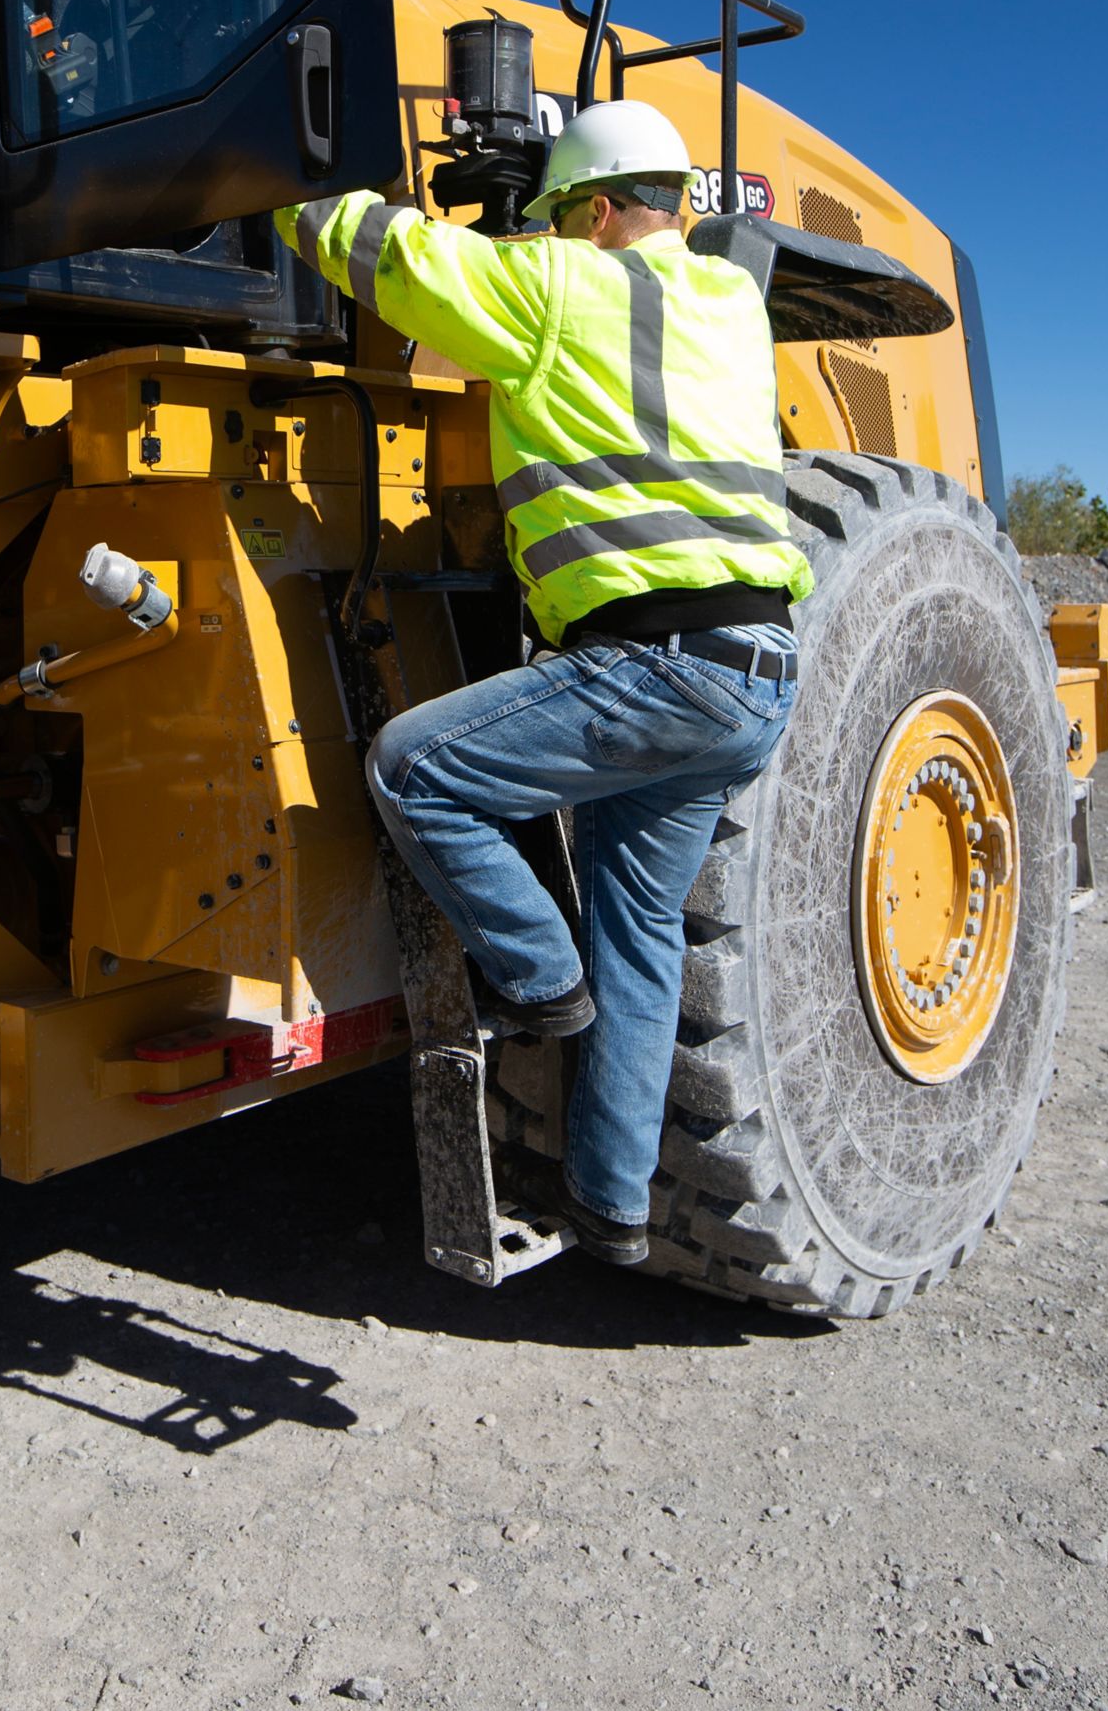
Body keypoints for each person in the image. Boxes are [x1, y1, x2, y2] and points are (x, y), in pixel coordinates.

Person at [273, 99, 813, 1266]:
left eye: (564, 216)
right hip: (756, 675)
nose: (554, 236)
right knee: (645, 933)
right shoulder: (730, 305)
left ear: (601, 210)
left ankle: (540, 980)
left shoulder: (563, 287)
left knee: (413, 767)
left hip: (653, 664)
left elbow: (394, 255)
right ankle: (613, 1203)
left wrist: (262, 172)